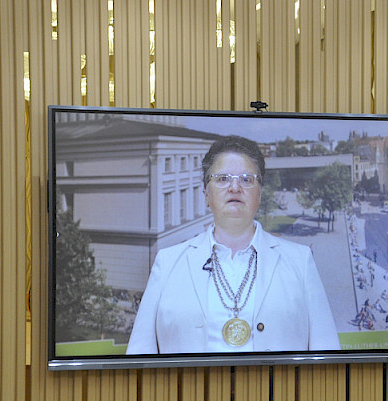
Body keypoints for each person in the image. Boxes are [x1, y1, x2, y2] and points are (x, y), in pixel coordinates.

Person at [127, 135, 340, 354]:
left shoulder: (300, 261)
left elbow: (327, 353)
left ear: (259, 194)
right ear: (206, 194)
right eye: (222, 179)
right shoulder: (168, 263)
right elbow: (139, 355)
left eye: (246, 179)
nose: (235, 187)